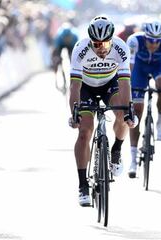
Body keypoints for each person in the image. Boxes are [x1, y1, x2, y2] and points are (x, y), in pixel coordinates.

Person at [68, 16, 135, 206]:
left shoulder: (121, 48)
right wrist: (75, 112)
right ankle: (82, 185)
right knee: (85, 131)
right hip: (85, 87)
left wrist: (128, 108)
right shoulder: (80, 49)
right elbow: (74, 87)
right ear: (90, 41)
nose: (101, 48)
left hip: (109, 84)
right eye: (96, 44)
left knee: (122, 115)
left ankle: (116, 150)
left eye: (105, 43)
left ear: (112, 40)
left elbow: (124, 82)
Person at [126, 19, 161, 178]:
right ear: (145, 36)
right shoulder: (134, 41)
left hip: (158, 66)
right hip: (138, 70)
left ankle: (160, 123)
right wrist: (127, 90)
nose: (154, 44)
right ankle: (133, 159)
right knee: (136, 112)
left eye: (157, 41)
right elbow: (129, 67)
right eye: (151, 40)